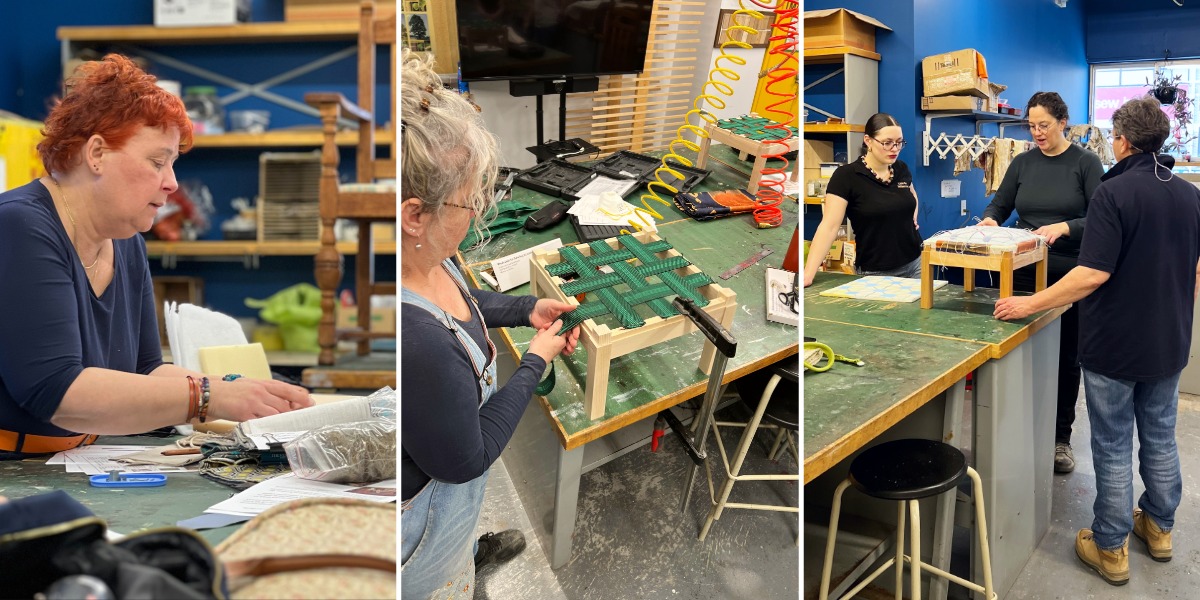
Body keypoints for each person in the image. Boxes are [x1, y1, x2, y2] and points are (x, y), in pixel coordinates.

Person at [0, 54, 312, 459]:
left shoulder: (126, 241)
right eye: (157, 161)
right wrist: (208, 395)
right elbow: (56, 390)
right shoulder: (20, 227)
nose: (171, 183)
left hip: (73, 460)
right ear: (96, 153)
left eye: (173, 164)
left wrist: (243, 392)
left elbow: (145, 370)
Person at [994, 96, 1200, 586]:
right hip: (1168, 339)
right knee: (1159, 435)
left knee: (1110, 444)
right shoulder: (1189, 194)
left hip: (1114, 344)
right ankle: (1159, 527)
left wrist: (1028, 303)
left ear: (1122, 141)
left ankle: (1109, 545)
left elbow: (1090, 274)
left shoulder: (1114, 193)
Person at [399, 49, 581, 599]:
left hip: (444, 494)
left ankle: (470, 551)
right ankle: (458, 573)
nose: (478, 211)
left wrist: (525, 310)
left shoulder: (428, 258)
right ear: (414, 214)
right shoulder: (416, 344)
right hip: (417, 532)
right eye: (469, 200)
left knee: (461, 536)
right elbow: (468, 459)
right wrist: (534, 362)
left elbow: (464, 299)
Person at [979, 91, 1103, 474]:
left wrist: (1066, 226)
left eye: (1044, 125)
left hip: (1068, 274)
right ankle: (1017, 427)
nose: (1037, 133)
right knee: (1019, 350)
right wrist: (988, 222)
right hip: (1023, 270)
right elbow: (1001, 205)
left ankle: (1059, 438)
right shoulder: (1022, 162)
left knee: (1066, 357)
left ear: (1063, 122)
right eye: (1031, 126)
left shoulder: (1085, 163)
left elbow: (1102, 221)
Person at [803, 112, 922, 287]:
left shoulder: (901, 168)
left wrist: (912, 216)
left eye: (899, 143)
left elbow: (912, 196)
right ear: (868, 140)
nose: (895, 149)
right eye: (887, 143)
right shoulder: (846, 177)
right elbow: (829, 227)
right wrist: (808, 273)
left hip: (915, 263)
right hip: (876, 272)